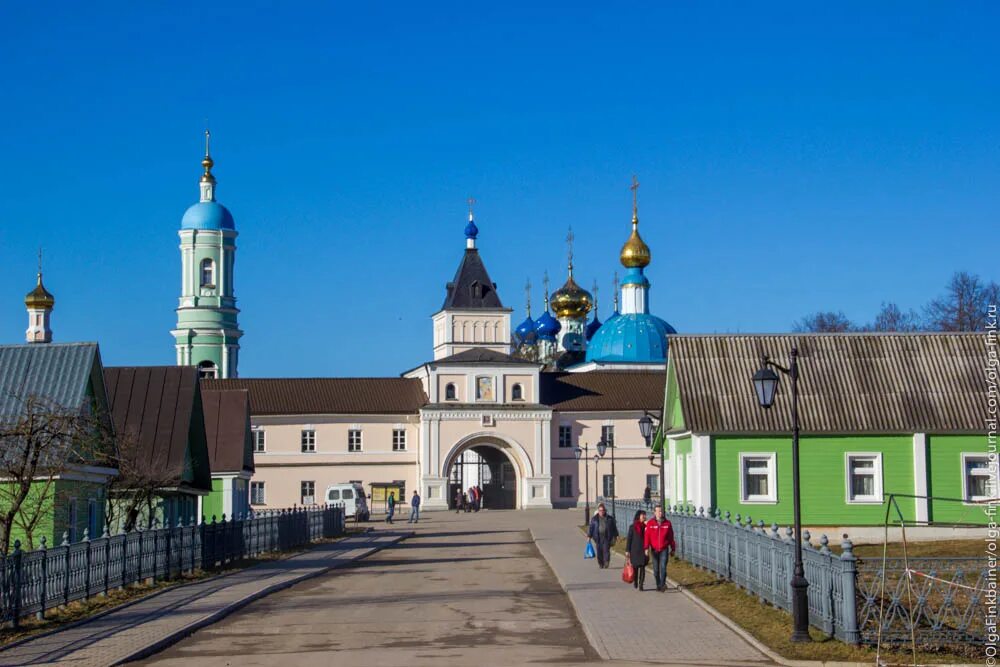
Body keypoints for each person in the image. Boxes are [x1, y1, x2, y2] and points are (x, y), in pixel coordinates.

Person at [644, 505, 676, 591]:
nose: (659, 513)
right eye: (657, 511)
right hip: (654, 549)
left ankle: (662, 584)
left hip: (664, 549)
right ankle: (658, 583)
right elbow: (647, 536)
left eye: (661, 511)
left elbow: (671, 537)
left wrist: (673, 548)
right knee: (656, 570)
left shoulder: (667, 523)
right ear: (654, 512)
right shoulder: (650, 523)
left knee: (663, 567)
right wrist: (646, 548)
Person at [586, 503, 618, 569]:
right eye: (600, 510)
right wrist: (589, 536)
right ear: (598, 511)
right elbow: (591, 528)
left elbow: (614, 528)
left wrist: (616, 535)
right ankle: (600, 563)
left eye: (603, 510)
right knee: (599, 551)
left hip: (606, 537)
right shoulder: (594, 519)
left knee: (606, 550)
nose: (601, 512)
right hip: (598, 537)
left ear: (605, 510)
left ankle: (606, 562)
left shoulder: (610, 519)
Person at [625, 509, 648, 591]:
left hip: (643, 550)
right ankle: (635, 581)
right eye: (643, 515)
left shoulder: (646, 527)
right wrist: (627, 550)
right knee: (635, 568)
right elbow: (629, 539)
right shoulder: (633, 527)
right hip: (634, 550)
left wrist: (647, 526)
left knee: (642, 568)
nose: (644, 516)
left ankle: (641, 584)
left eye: (645, 515)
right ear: (639, 516)